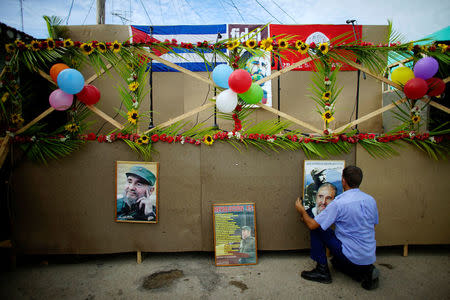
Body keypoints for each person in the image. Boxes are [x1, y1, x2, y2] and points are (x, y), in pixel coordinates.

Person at [295, 166, 379, 290]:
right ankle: (364, 270)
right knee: (337, 261)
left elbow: (312, 224)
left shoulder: (339, 203)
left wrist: (302, 211)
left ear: (343, 181)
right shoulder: (370, 200)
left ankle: (322, 271)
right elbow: (374, 224)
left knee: (316, 227)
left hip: (351, 255)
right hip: (368, 254)